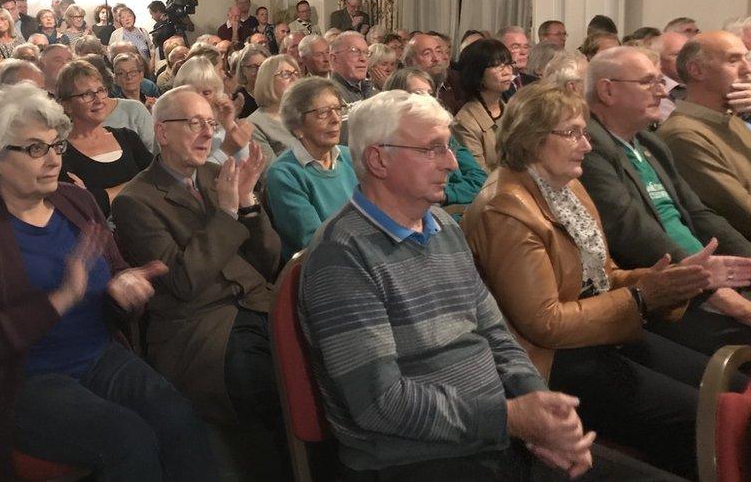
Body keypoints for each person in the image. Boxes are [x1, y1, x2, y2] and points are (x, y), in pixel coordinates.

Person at [301, 89, 617, 481]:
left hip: (489, 433)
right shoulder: (342, 255)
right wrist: (511, 419)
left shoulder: (443, 225)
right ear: (378, 159)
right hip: (415, 459)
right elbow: (381, 403)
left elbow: (495, 333)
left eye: (448, 147)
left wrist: (541, 402)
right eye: (432, 149)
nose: (451, 163)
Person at [0, 82, 215, 480]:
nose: (52, 160)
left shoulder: (74, 201)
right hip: (22, 380)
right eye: (34, 148)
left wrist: (124, 290)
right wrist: (58, 300)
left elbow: (113, 277)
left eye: (56, 146)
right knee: (129, 440)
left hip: (99, 356)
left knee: (180, 419)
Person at [460, 83, 725, 479]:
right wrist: (640, 296)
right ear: (531, 139)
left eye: (585, 132)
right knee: (704, 417)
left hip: (601, 332)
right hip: (551, 361)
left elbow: (602, 277)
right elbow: (544, 322)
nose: (586, 145)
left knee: (726, 393)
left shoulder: (567, 186)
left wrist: (667, 280)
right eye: (571, 133)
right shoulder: (506, 208)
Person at [111, 86, 282, 429]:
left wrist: (248, 202)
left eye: (210, 123)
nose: (208, 133)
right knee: (272, 388)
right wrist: (228, 212)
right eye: (194, 123)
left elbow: (267, 262)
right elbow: (184, 282)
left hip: (257, 303)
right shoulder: (135, 200)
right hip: (201, 326)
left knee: (328, 361)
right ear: (162, 132)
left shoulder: (214, 176)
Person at [580, 46, 751, 356]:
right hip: (672, 295)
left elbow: (699, 214)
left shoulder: (648, 142)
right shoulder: (589, 146)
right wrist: (712, 289)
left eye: (660, 81)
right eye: (648, 82)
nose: (661, 92)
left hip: (711, 277)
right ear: (607, 90)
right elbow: (630, 230)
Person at [659, 31, 751, 241]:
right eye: (733, 60)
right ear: (697, 70)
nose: (747, 69)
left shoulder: (732, 119)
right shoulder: (683, 134)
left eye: (746, 58)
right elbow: (742, 211)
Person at [265, 77, 356, 259]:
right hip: (326, 265)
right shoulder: (284, 174)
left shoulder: (350, 156)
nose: (336, 119)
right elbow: (312, 240)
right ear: (297, 125)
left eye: (338, 109)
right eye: (323, 112)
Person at [385, 67, 487, 215]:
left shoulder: (446, 135)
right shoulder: (396, 142)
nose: (428, 100)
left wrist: (446, 195)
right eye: (418, 93)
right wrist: (458, 193)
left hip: (462, 213)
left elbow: (480, 179)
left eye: (430, 93)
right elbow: (419, 190)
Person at [56, 61, 153, 216]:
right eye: (87, 94)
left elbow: (157, 181)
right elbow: (83, 208)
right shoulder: (60, 153)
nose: (99, 100)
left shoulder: (127, 137)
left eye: (101, 90)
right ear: (66, 105)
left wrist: (103, 195)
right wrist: (139, 184)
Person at [173, 56, 252, 165]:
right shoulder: (174, 127)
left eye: (206, 93)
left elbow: (246, 161)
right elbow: (194, 177)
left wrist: (229, 125)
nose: (200, 99)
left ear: (216, 93)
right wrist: (225, 151)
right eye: (193, 92)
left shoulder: (221, 121)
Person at [452, 38, 514, 172]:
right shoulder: (465, 122)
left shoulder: (514, 110)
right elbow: (478, 174)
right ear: (477, 72)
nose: (507, 72)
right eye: (498, 66)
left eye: (509, 64)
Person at [249, 55, 300, 164]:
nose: (295, 79)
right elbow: (271, 175)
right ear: (268, 80)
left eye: (296, 74)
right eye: (286, 74)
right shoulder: (255, 125)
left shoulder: (305, 113)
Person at [404, 32, 467, 113]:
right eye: (427, 53)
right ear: (410, 62)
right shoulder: (403, 90)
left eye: (438, 51)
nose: (436, 58)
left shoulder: (454, 81)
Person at [329, 31, 376, 106]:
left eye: (366, 52)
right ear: (334, 59)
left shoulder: (371, 88)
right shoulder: (329, 94)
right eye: (355, 51)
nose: (363, 58)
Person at [496, 26, 538, 100]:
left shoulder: (535, 83)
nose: (523, 52)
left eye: (526, 47)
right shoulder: (494, 86)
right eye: (516, 47)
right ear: (500, 50)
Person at [109, 8, 155, 73]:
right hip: (126, 71)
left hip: (146, 69)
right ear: (120, 20)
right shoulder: (116, 34)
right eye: (123, 17)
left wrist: (152, 63)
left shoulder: (142, 31)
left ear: (134, 17)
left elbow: (151, 49)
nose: (127, 19)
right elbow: (111, 53)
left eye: (129, 16)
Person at [658, 31, 689, 121]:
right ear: (659, 59)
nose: (687, 60)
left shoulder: (700, 86)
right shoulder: (656, 91)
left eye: (689, 54)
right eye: (678, 55)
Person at [232, 44, 267, 119]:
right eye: (253, 67)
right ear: (243, 70)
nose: (259, 70)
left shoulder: (274, 93)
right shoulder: (238, 97)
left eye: (263, 65)